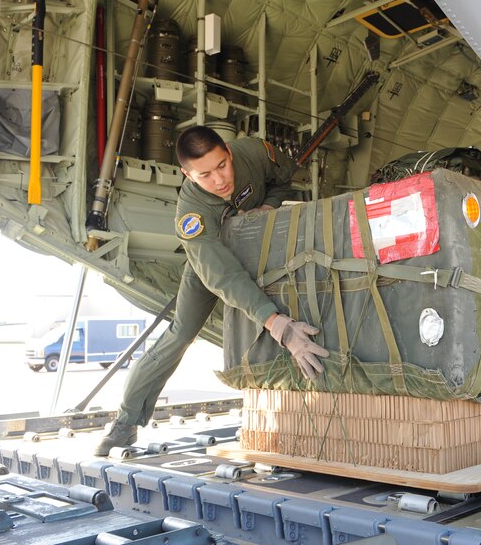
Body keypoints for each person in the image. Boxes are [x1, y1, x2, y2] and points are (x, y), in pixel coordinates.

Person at [95, 126, 329, 456]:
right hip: (216, 260)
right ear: (188, 176)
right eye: (205, 175)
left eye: (222, 165)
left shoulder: (255, 152)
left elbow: (282, 180)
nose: (220, 180)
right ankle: (126, 421)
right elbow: (225, 277)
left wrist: (268, 208)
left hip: (265, 244)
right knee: (180, 335)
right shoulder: (191, 213)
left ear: (230, 154)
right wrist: (277, 325)